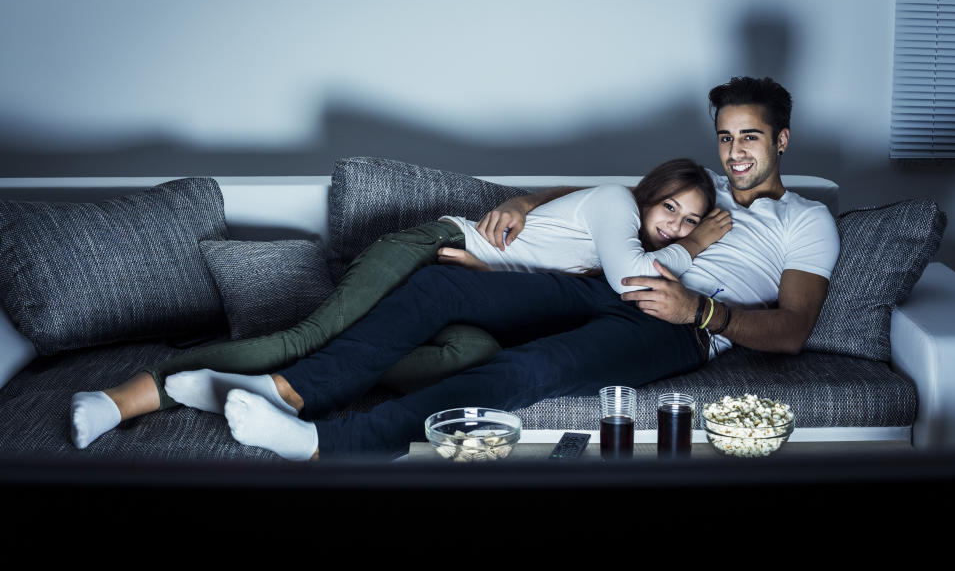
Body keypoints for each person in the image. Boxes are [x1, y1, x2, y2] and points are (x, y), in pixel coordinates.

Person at [161, 76, 842, 460]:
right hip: (598, 282)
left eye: (750, 137)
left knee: (526, 373)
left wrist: (701, 312)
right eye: (726, 137)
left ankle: (325, 444)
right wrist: (519, 201)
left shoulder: (805, 222)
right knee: (440, 283)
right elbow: (611, 206)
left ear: (780, 139)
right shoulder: (697, 192)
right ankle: (295, 392)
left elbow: (791, 330)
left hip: (673, 326)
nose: (736, 153)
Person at [70, 158, 730, 449]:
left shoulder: (613, 234)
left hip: (470, 288)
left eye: (689, 218)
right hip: (429, 249)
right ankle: (125, 398)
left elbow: (560, 253)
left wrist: (519, 219)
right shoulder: (622, 217)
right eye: (670, 208)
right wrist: (697, 245)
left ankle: (235, 389)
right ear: (647, 198)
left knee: (468, 356)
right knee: (304, 342)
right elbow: (635, 282)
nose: (674, 225)